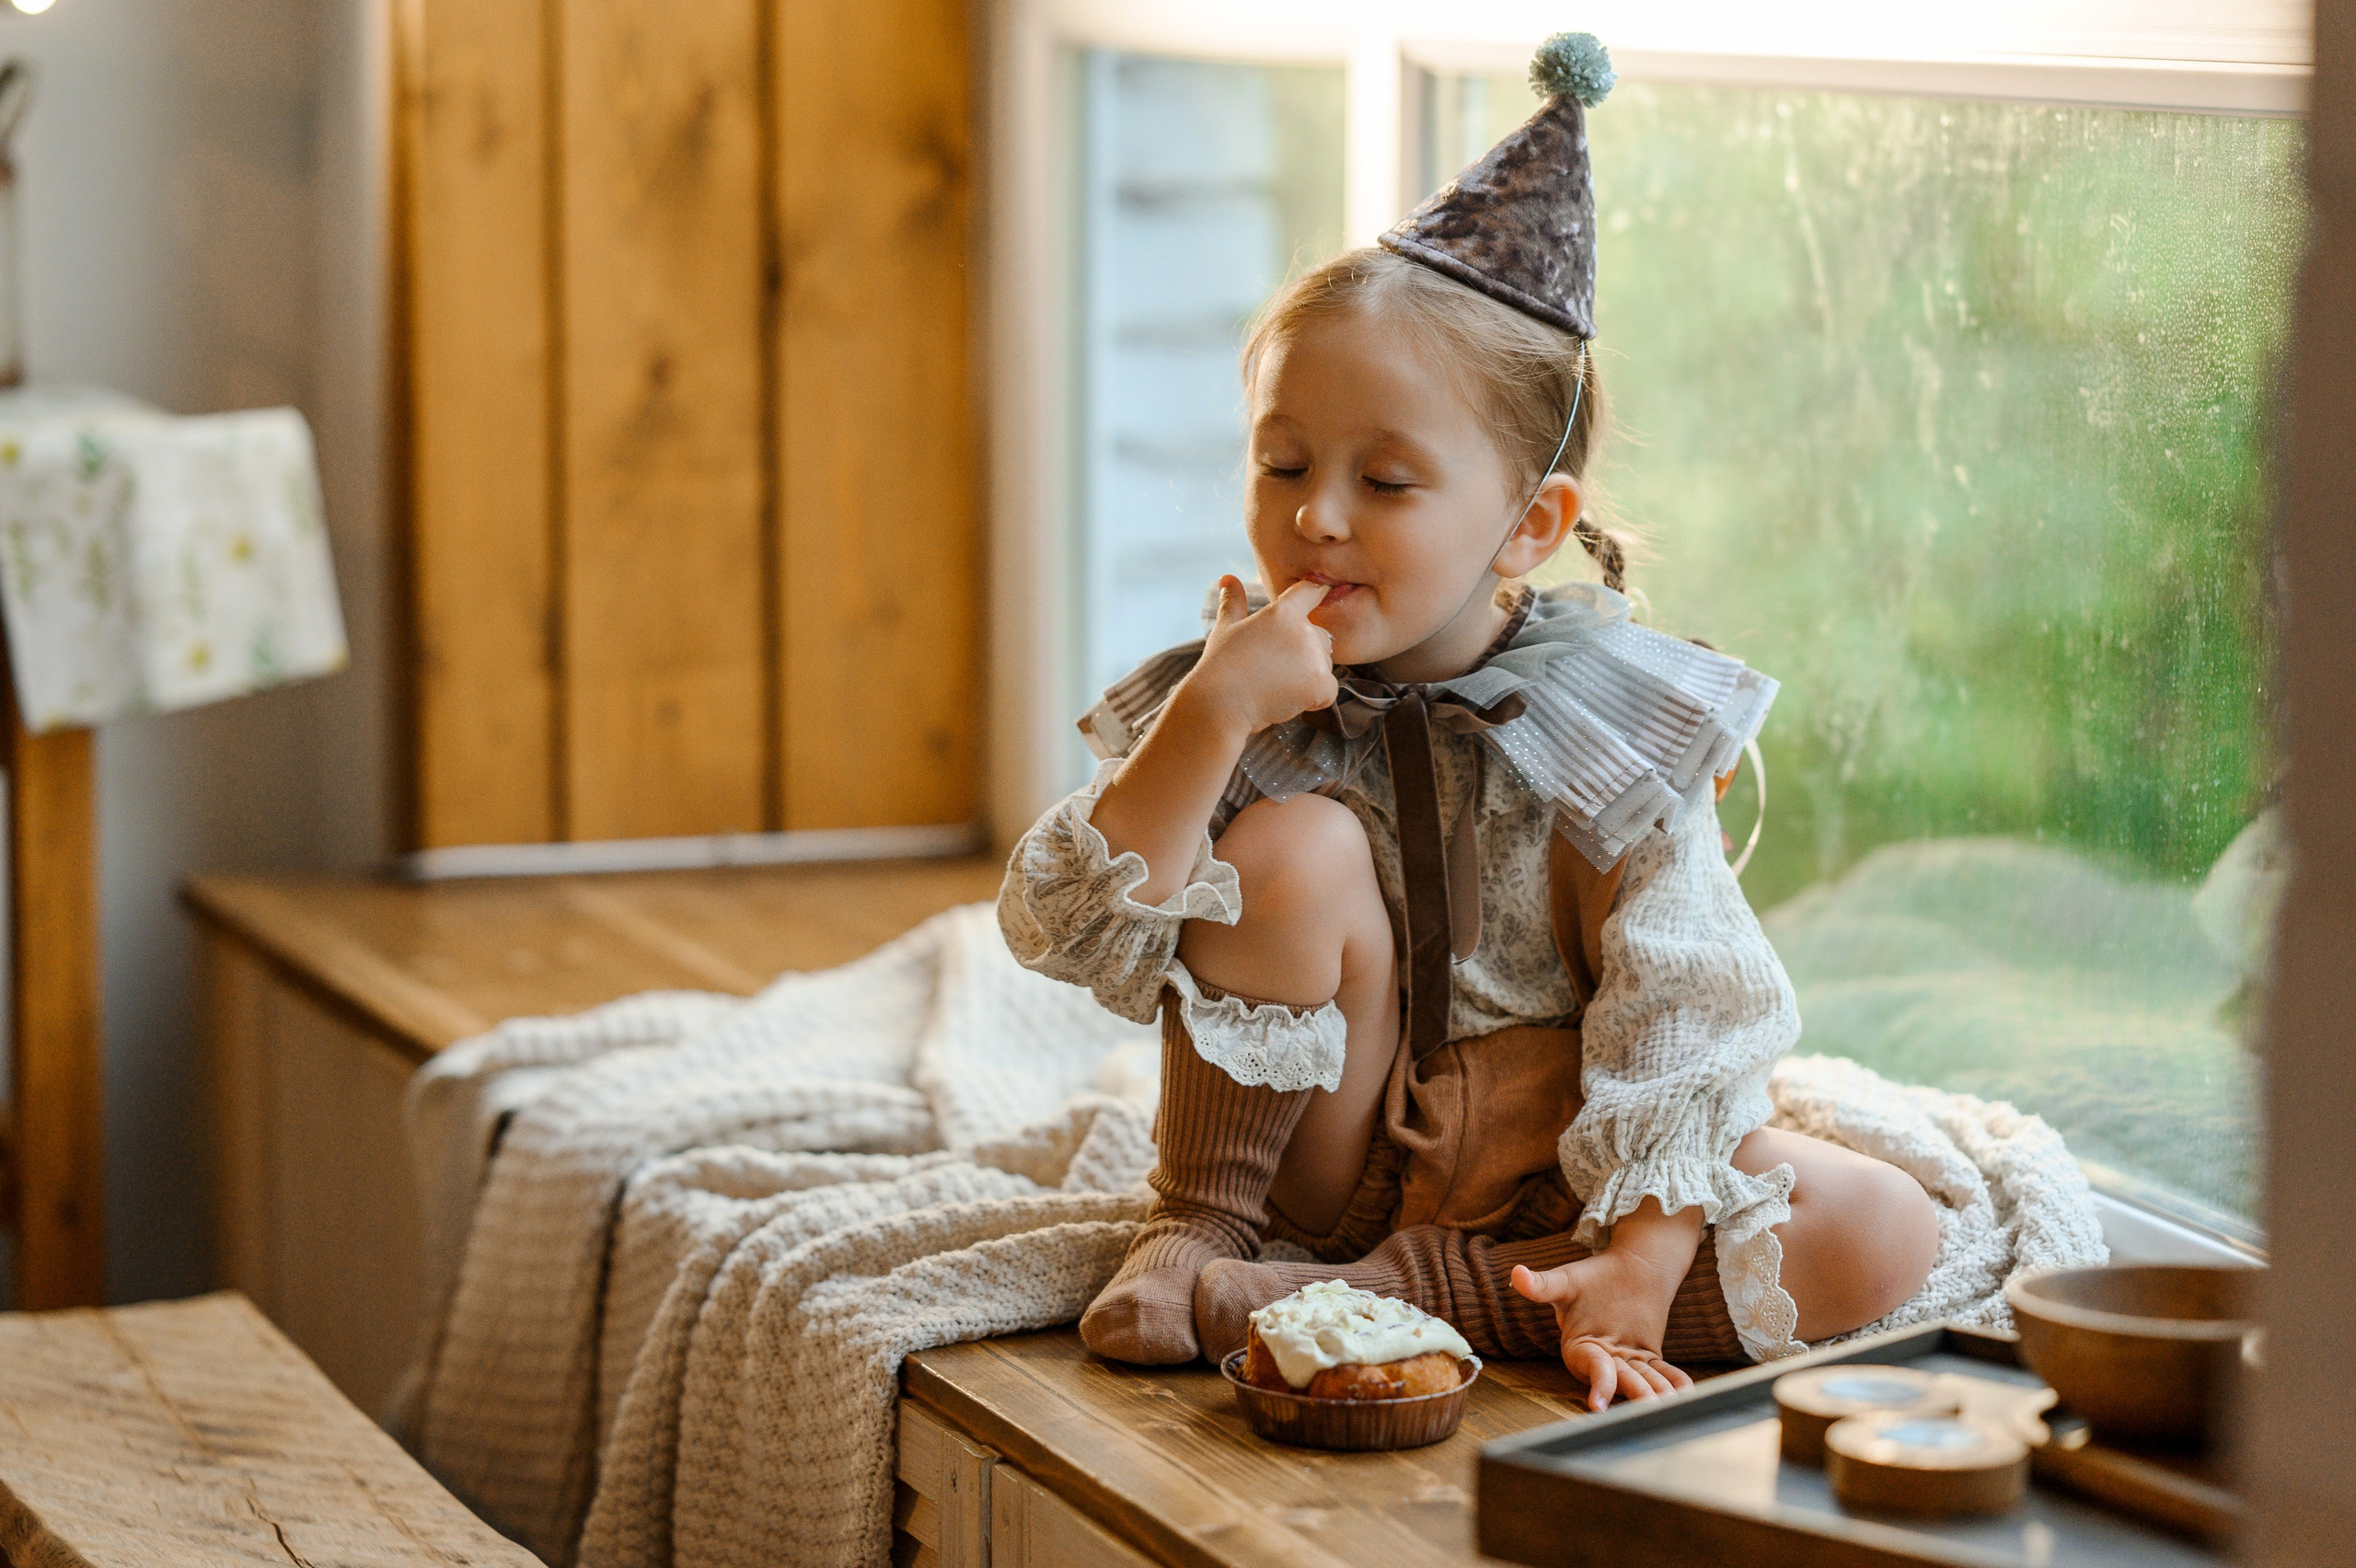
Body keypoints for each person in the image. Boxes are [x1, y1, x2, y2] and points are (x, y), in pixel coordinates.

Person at [999, 34, 1940, 1409]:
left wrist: (1644, 1246)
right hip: (1319, 1162)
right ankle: (1202, 1232)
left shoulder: (1610, 722)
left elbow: (1689, 1006)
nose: (1316, 516)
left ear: (1530, 525)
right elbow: (1057, 928)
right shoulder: (1245, 685)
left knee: (1883, 1230)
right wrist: (1210, 717)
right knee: (1295, 844)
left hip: (1568, 1172)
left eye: (1385, 481)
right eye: (1282, 464)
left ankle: (1419, 1301)